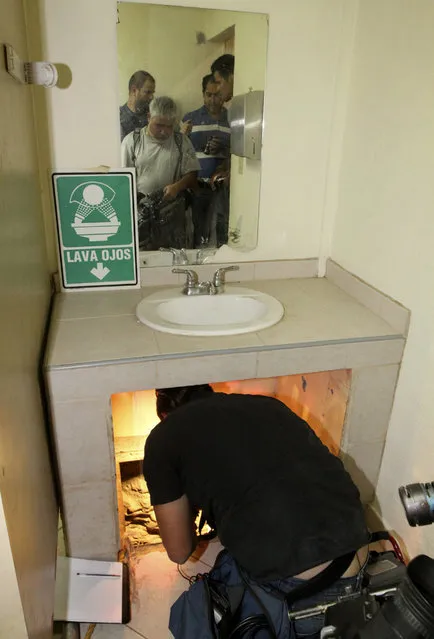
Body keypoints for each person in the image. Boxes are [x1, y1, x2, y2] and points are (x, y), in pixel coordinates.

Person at [143, 385, 371, 638]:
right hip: (359, 548)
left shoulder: (162, 438)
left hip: (306, 588)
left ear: (164, 415)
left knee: (200, 613)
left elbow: (179, 551)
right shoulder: (268, 404)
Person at [121, 96, 200, 250]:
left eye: (169, 126)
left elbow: (192, 174)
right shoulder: (132, 141)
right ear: (149, 117)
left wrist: (177, 187)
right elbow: (123, 181)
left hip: (173, 216)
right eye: (159, 125)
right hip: (141, 216)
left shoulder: (181, 142)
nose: (164, 131)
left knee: (174, 259)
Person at [181, 74, 231, 247]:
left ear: (224, 95)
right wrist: (182, 135)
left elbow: (238, 154)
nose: (213, 100)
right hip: (198, 187)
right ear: (203, 94)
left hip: (224, 187)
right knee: (198, 231)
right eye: (209, 94)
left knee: (222, 230)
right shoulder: (190, 119)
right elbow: (180, 152)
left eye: (217, 95)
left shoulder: (233, 119)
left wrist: (223, 148)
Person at [120, 70, 156, 141]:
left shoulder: (154, 115)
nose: (151, 97)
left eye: (152, 93)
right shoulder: (117, 118)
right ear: (134, 90)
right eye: (148, 92)